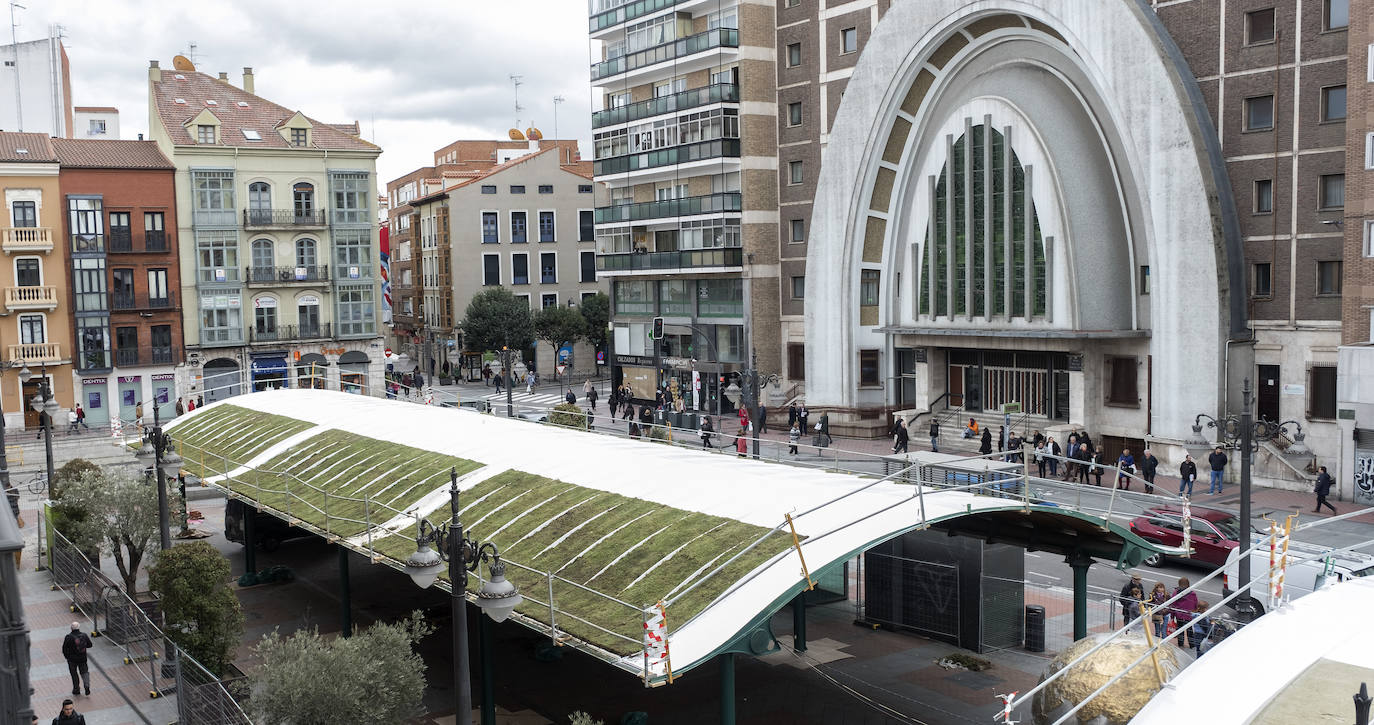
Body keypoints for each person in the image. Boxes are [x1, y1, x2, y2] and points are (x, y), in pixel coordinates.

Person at [62, 622, 93, 696]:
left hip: (72, 660)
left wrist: (67, 657)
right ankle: (86, 685)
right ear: (79, 627)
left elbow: (64, 649)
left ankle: (76, 689)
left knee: (74, 674)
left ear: (71, 628)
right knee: (85, 672)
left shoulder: (68, 637)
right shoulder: (84, 635)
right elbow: (90, 645)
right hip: (82, 658)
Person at [1171, 577, 1198, 649]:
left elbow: (1173, 604)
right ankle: (1192, 645)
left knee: (1180, 629)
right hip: (1188, 615)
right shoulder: (1192, 593)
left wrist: (1172, 616)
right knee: (1189, 630)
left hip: (1179, 614)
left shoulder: (1176, 592)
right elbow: (1195, 603)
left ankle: (1180, 643)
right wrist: (1195, 610)